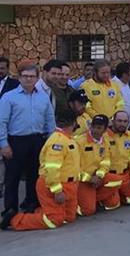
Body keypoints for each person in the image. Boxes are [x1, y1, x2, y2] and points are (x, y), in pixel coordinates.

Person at [2, 107, 79, 231]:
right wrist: (57, 190)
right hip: (53, 185)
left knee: (68, 217)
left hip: (68, 185)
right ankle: (14, 220)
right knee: (54, 221)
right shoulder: (58, 141)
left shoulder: (68, 139)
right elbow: (52, 169)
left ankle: (41, 211)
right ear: (74, 123)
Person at [0, 64, 54, 215]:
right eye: (25, 76)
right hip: (15, 141)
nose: (28, 79)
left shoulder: (43, 97)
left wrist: (50, 141)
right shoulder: (9, 97)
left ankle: (31, 205)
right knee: (12, 177)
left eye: (32, 76)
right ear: (19, 77)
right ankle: (10, 209)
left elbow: (50, 120)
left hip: (37, 141)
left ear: (37, 78)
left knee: (34, 176)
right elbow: (1, 122)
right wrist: (3, 144)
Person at [75, 114, 116, 216]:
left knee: (118, 182)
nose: (95, 130)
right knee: (88, 211)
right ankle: (76, 204)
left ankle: (95, 199)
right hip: (81, 180)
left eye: (99, 128)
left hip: (96, 177)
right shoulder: (79, 141)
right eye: (93, 126)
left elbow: (106, 162)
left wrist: (99, 175)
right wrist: (89, 178)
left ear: (105, 130)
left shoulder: (105, 142)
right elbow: (73, 166)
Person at [103, 110, 130, 207]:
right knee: (112, 204)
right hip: (109, 176)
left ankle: (120, 194)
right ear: (113, 121)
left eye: (125, 121)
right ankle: (113, 196)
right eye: (119, 121)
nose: (122, 124)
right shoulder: (104, 135)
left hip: (125, 175)